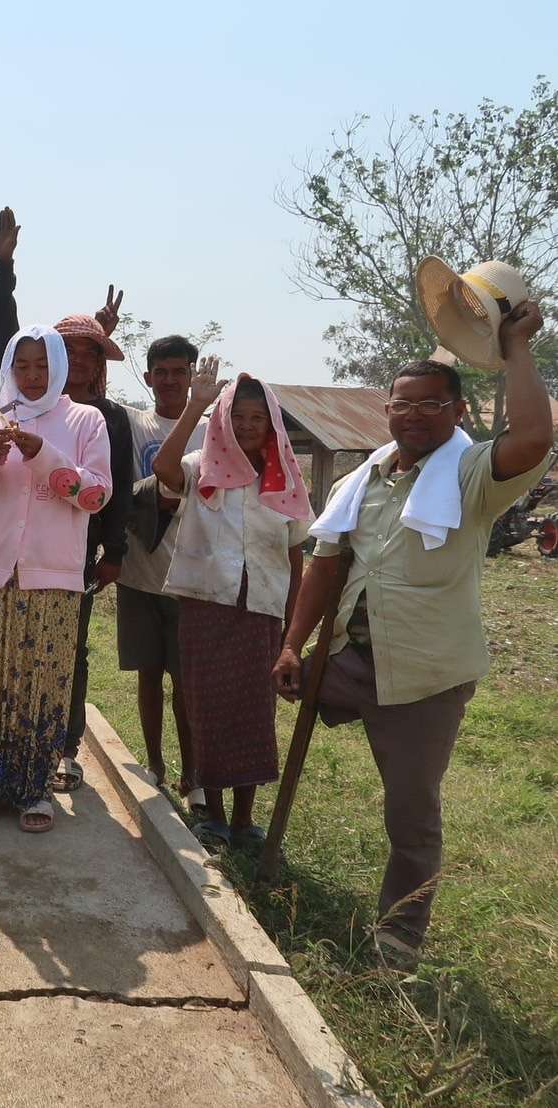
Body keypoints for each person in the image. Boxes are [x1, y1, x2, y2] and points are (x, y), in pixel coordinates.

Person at [272, 302, 553, 967]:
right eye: (403, 404)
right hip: (347, 660)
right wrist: (290, 644)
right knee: (255, 701)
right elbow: (325, 566)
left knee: (411, 812)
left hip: (424, 676)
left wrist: (515, 347)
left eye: (431, 404)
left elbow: (533, 439)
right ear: (387, 410)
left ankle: (398, 934)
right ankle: (252, 837)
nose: (415, 415)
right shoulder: (361, 481)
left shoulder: (469, 476)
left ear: (457, 412)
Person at [0, 206, 134, 794]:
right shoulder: (22, 406)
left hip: (78, 550)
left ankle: (63, 747)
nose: (78, 361)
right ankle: (9, 749)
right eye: (69, 350)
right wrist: (3, 268)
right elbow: (6, 328)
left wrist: (113, 552)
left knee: (67, 650)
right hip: (18, 551)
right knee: (10, 651)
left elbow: (114, 490)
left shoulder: (106, 417)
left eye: (90, 352)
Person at [0, 326, 111, 832]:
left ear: (58, 367)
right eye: (22, 365)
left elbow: (95, 496)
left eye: (42, 365)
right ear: (9, 369)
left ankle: (34, 792)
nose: (32, 374)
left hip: (53, 578)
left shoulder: (84, 420)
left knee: (41, 685)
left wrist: (43, 454)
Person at [154, 360, 311, 852]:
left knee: (254, 714)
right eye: (237, 416)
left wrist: (291, 631)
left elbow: (295, 555)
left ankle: (245, 820)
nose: (246, 426)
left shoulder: (285, 478)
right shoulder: (201, 466)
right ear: (223, 420)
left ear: (271, 424)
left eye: (257, 418)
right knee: (207, 710)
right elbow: (162, 469)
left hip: (261, 611)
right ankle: (215, 817)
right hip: (208, 609)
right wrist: (196, 406)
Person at [118, 335, 207, 796]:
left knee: (187, 684)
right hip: (140, 573)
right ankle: (155, 764)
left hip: (193, 579)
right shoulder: (134, 423)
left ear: (192, 376)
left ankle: (194, 775)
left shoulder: (212, 430)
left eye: (179, 372)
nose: (170, 380)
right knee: (149, 674)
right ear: (148, 377)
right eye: (161, 372)